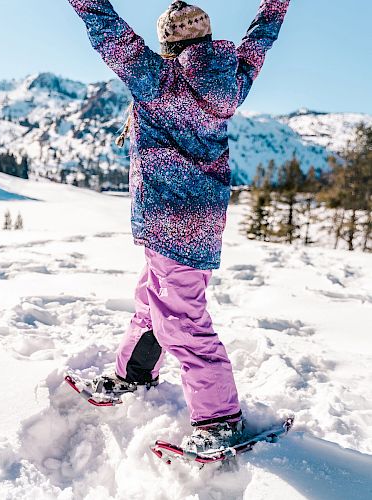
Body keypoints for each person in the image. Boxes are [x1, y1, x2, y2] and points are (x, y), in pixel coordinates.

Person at [66, 0, 291, 454]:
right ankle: (135, 374)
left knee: (183, 319)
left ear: (168, 42)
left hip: (169, 220)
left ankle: (220, 417)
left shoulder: (156, 78)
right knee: (155, 301)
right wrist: (276, 4)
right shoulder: (232, 80)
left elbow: (107, 29)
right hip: (199, 221)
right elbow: (260, 38)